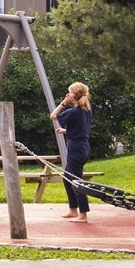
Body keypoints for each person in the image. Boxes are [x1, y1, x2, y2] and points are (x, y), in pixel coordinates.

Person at [51, 81, 94, 222]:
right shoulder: (86, 110)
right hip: (84, 146)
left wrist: (64, 102)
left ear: (73, 95)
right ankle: (73, 210)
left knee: (76, 181)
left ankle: (83, 215)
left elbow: (53, 116)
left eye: (70, 92)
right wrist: (66, 130)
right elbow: (81, 128)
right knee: (67, 178)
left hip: (76, 148)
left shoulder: (74, 111)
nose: (68, 94)